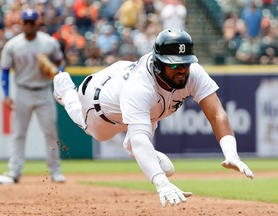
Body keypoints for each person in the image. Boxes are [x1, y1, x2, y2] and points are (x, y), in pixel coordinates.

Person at [53, 28, 254, 207]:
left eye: (186, 63)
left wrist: (231, 153)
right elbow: (140, 138)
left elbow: (217, 113)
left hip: (140, 100)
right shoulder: (139, 87)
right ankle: (66, 92)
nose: (182, 69)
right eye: (174, 65)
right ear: (158, 63)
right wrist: (161, 182)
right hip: (99, 104)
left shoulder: (192, 73)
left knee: (146, 139)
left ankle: (134, 148)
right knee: (97, 133)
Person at [0, 8, 66, 183]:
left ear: (38, 23)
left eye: (32, 22)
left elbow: (61, 64)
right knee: (18, 133)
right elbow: (5, 71)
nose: (29, 25)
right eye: (26, 22)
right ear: (21, 23)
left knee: (50, 132)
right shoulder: (12, 45)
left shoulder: (49, 43)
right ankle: (14, 171)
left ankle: (55, 171)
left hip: (43, 91)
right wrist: (6, 95)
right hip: (22, 91)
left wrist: (56, 71)